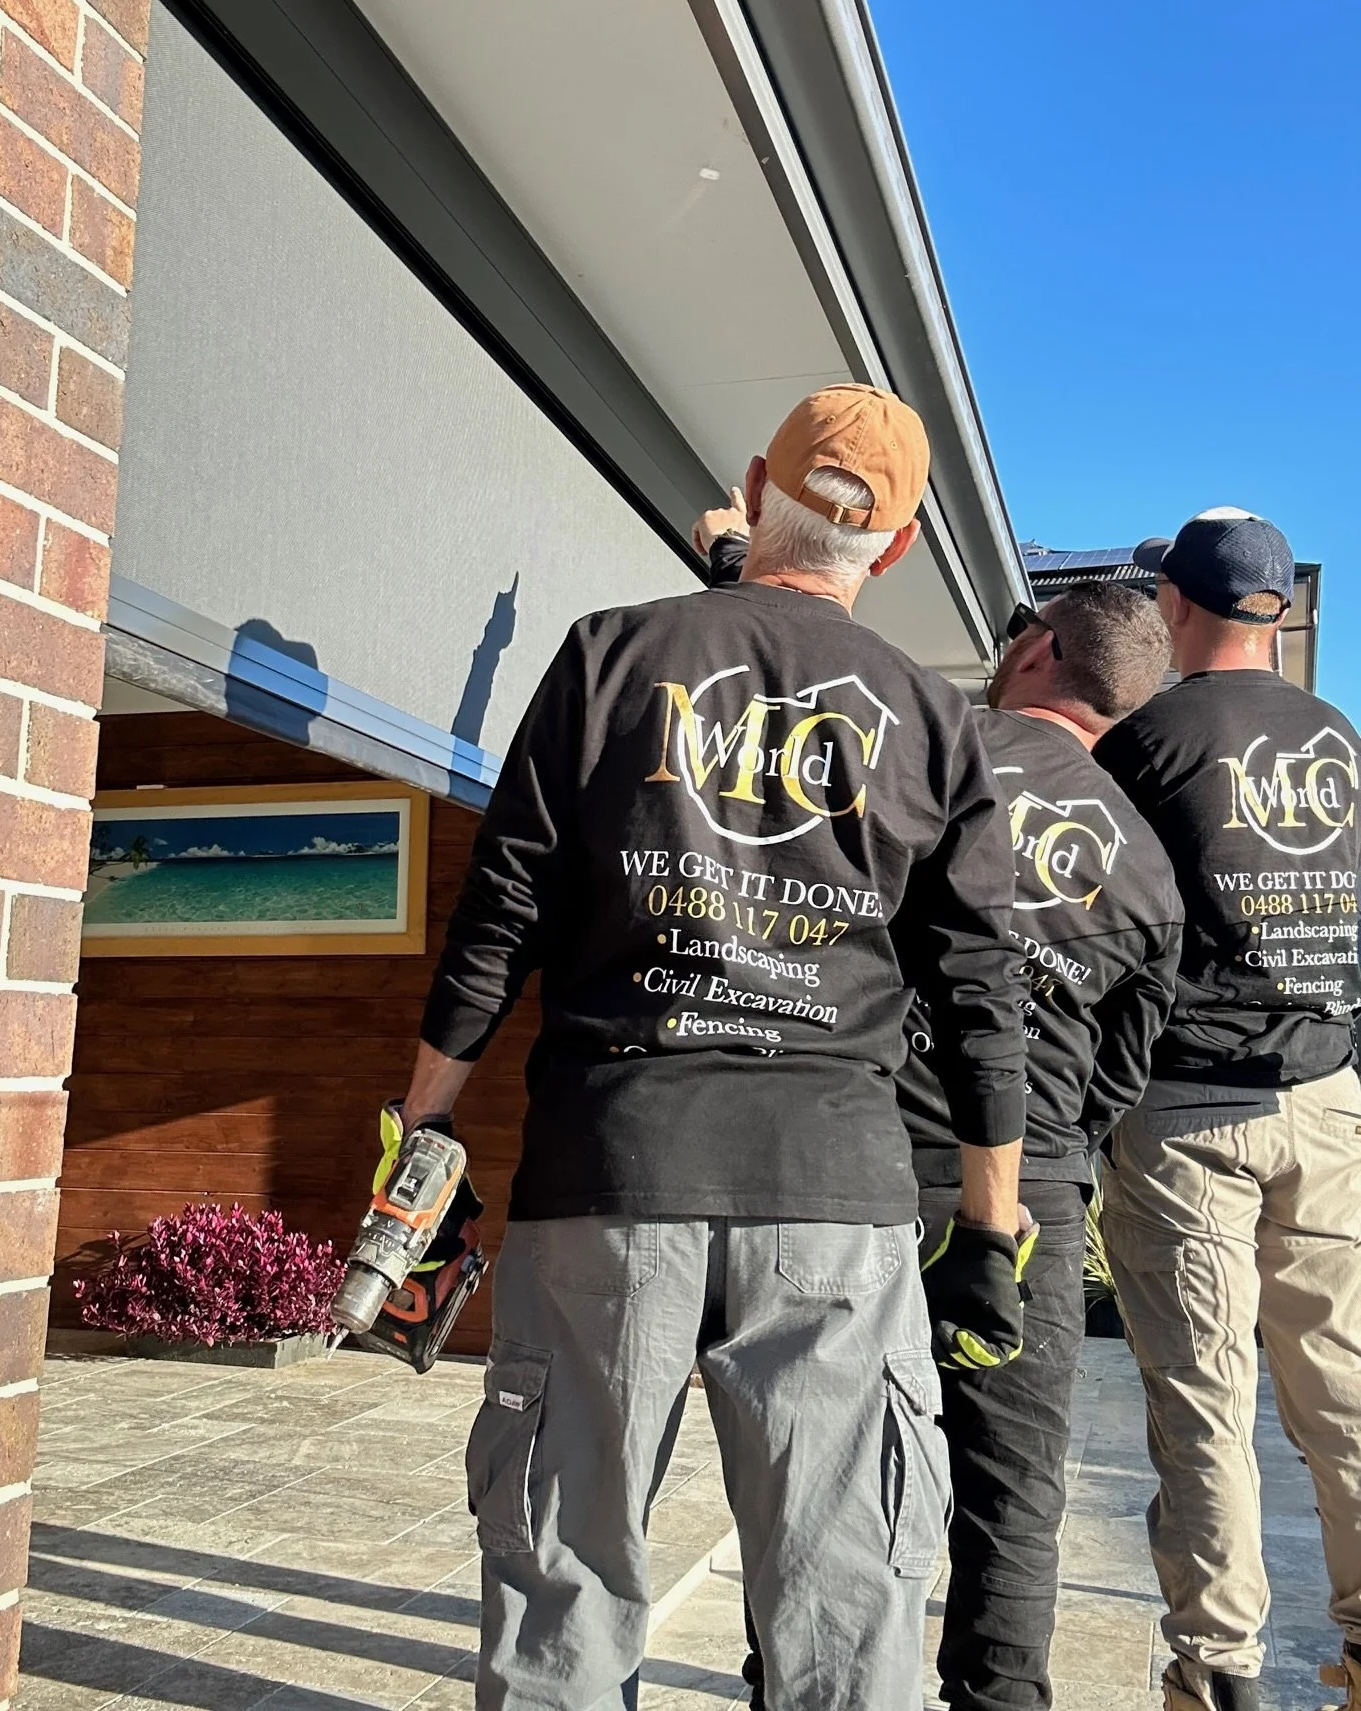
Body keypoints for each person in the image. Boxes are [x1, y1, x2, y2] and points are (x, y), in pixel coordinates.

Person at [399, 385, 1031, 1711]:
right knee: (845, 1607)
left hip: (609, 1171)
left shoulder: (608, 656)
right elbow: (979, 987)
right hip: (835, 1196)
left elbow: (501, 905)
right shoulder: (931, 715)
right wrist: (988, 1224)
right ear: (903, 545)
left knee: (564, 1581)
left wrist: (425, 1128)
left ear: (754, 488)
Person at [707, 519, 1185, 1711]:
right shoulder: (1146, 863)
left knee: (820, 1466)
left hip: (844, 1162)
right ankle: (999, 1695)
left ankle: (799, 1685)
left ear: (1034, 652)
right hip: (1029, 1202)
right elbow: (1122, 1070)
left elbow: (774, 818)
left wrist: (728, 563)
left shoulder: (902, 746)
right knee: (1011, 1487)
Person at [1092, 510, 1361, 1711]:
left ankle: (1221, 1671)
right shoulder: (1340, 740)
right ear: (1279, 612)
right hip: (1326, 1099)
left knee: (1205, 1401)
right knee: (1343, 1389)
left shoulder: (1147, 739)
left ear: (1173, 603)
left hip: (1188, 1110)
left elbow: (1097, 919)